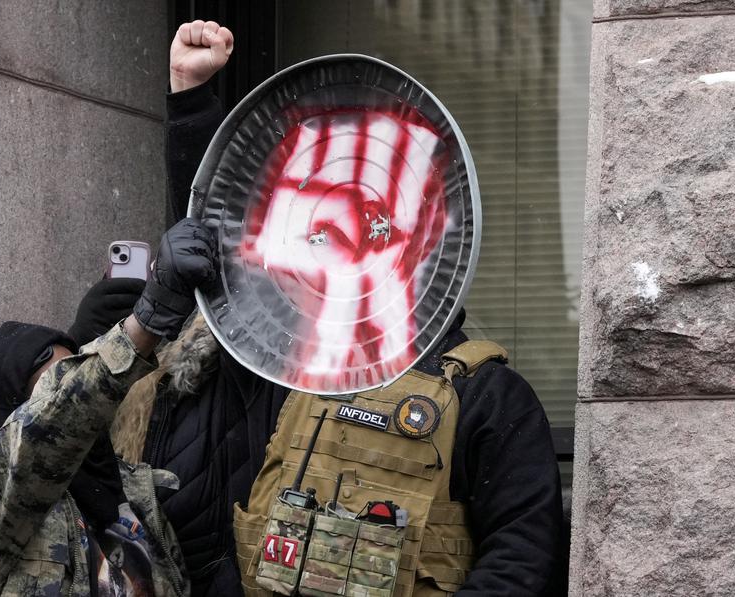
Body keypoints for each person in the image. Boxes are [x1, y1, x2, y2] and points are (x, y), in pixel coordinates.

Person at [110, 19, 563, 597]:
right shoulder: (290, 372)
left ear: (426, 242)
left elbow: (522, 559)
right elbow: (227, 253)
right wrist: (191, 97)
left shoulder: (486, 397)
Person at [0, 218, 216, 596]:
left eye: (71, 372)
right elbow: (40, 436)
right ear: (10, 409)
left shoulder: (125, 487)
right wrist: (145, 323)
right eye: (51, 386)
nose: (67, 395)